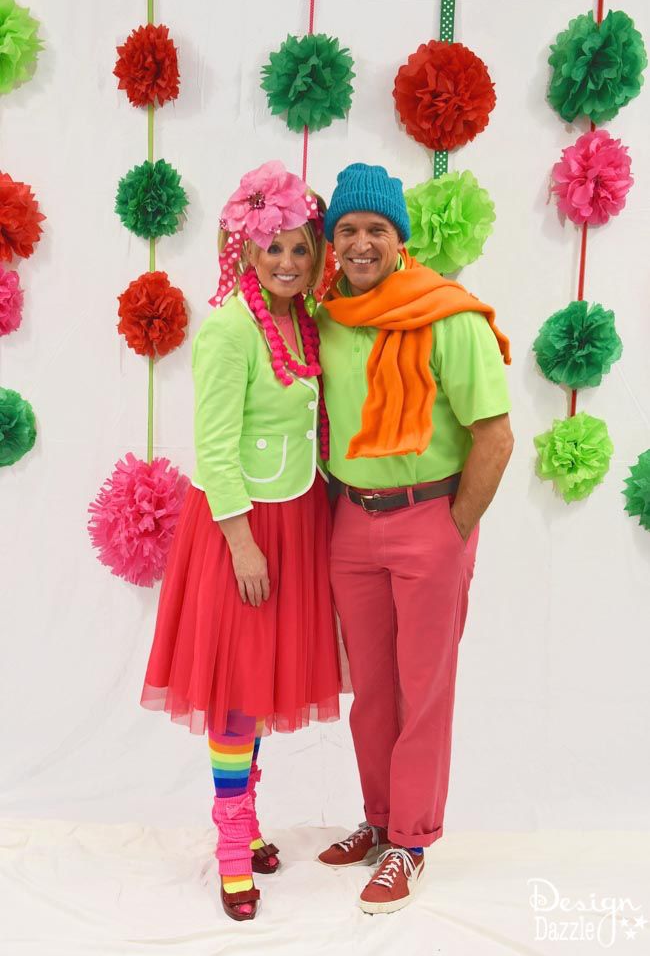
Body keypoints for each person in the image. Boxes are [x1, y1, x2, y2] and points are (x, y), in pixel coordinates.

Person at [141, 160, 342, 922]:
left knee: (261, 689)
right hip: (241, 526)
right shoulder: (228, 328)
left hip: (296, 516)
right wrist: (242, 543)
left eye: (300, 248)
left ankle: (250, 818)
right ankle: (231, 844)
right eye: (273, 249)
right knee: (233, 693)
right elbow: (214, 445)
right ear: (246, 251)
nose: (288, 262)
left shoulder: (302, 322)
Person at [316, 163, 513, 914]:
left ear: (400, 239)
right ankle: (377, 819)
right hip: (350, 522)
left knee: (422, 689)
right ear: (332, 242)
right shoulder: (328, 318)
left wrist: (452, 528)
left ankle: (413, 839)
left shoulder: (448, 317)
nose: (361, 243)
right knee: (369, 688)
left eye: (376, 229)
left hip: (429, 518)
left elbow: (494, 436)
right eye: (347, 230)